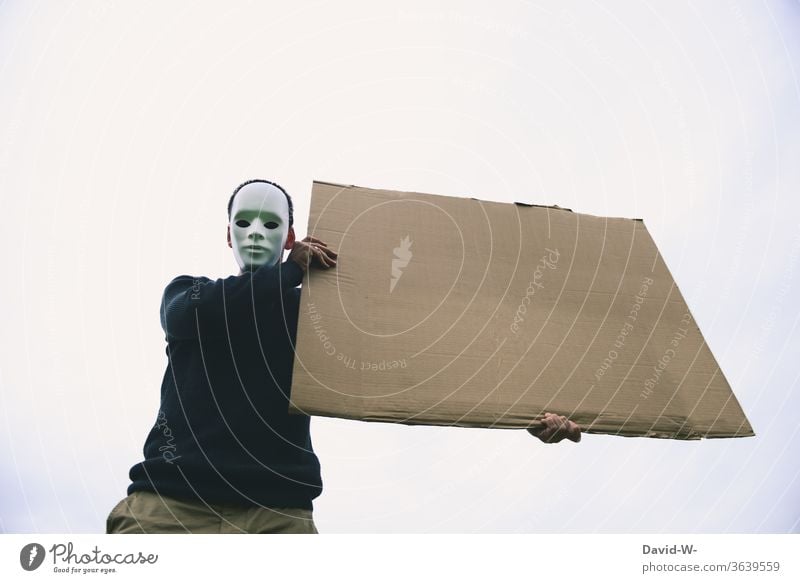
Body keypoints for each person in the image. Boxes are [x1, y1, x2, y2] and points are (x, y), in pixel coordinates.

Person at [106, 179, 580, 535]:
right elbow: (191, 316)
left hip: (278, 516)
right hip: (170, 505)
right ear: (228, 236)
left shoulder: (320, 317)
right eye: (244, 222)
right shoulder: (190, 295)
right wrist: (289, 275)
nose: (255, 232)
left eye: (271, 224)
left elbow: (425, 363)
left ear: (289, 238)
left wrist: (526, 411)